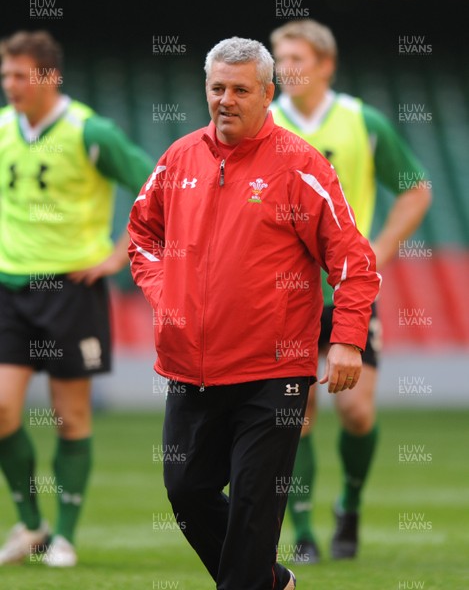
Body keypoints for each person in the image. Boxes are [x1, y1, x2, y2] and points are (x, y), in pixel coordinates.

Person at [128, 36, 381, 590]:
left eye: (240, 90)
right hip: (189, 367)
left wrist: (347, 339)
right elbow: (142, 234)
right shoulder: (178, 158)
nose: (226, 99)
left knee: (252, 509)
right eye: (217, 88)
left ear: (268, 94)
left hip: (275, 372)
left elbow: (354, 260)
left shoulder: (301, 165)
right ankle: (274, 582)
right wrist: (165, 292)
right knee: (187, 492)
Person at [269, 19, 432, 563]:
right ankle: (304, 532)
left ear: (325, 65)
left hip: (347, 292)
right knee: (298, 413)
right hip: (283, 295)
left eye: (295, 57)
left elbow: (415, 190)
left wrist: (379, 250)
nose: (285, 67)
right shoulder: (263, 123)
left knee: (357, 412)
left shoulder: (363, 121)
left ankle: (351, 507)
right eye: (278, 57)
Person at [0, 30, 154, 567]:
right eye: (5, 75)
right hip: (10, 288)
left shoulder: (91, 130)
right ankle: (30, 522)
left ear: (49, 77)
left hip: (72, 289)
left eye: (20, 75)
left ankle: (63, 534)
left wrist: (118, 256)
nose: (10, 85)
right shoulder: (1, 129)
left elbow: (154, 188)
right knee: (1, 409)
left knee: (71, 418)